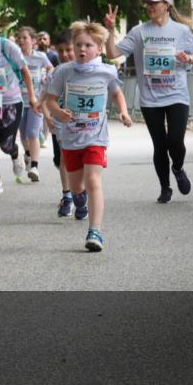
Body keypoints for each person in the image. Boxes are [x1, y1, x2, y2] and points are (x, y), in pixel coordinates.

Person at [104, 0, 193, 203]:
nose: (149, 6)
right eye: (147, 3)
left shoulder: (182, 30)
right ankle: (165, 187)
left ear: (166, 5)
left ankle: (178, 168)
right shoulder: (139, 32)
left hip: (177, 94)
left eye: (154, 2)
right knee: (160, 144)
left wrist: (188, 58)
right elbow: (112, 54)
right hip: (150, 98)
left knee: (175, 141)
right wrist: (110, 31)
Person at [44, 22, 133, 252]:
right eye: (78, 45)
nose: (82, 50)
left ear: (99, 48)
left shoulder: (108, 71)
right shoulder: (64, 71)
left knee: (94, 181)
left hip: (96, 136)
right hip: (71, 137)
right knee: (76, 187)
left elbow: (116, 93)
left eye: (88, 45)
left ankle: (95, 231)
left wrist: (123, 111)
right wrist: (58, 112)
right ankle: (78, 198)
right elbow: (51, 99)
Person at [0, 14, 37, 191]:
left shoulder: (7, 46)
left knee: (6, 144)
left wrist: (32, 97)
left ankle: (15, 153)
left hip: (11, 101)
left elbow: (25, 71)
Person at [43, 30, 76, 217]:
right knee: (63, 158)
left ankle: (80, 191)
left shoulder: (87, 71)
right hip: (61, 123)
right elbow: (47, 98)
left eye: (68, 49)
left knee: (81, 161)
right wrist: (48, 115)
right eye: (61, 50)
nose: (64, 54)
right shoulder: (54, 73)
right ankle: (67, 196)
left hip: (84, 124)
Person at [15, 26, 54, 182]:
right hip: (18, 100)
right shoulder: (15, 57)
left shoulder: (40, 56)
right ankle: (28, 154)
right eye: (20, 38)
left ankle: (34, 167)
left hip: (36, 100)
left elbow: (51, 68)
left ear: (32, 41)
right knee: (23, 135)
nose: (22, 40)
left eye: (25, 38)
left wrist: (47, 76)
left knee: (32, 132)